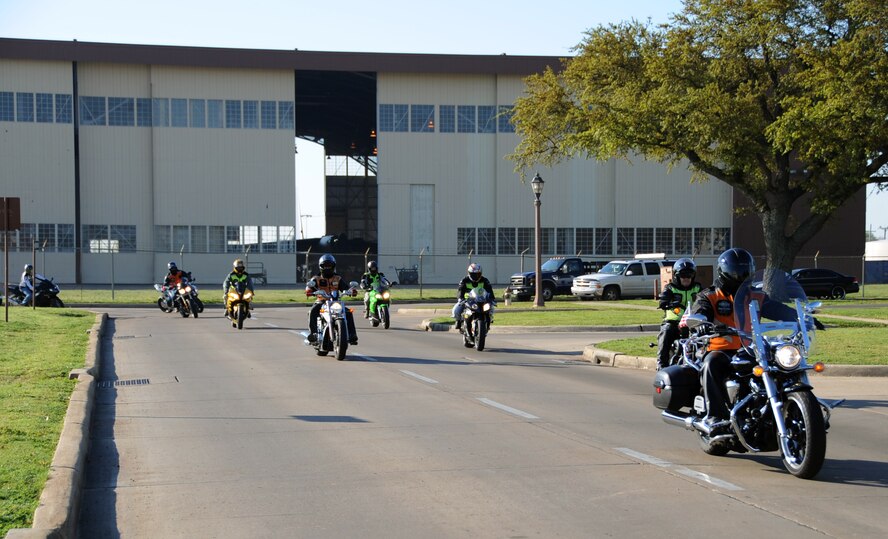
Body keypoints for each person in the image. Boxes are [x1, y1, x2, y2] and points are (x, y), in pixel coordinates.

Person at [689, 247, 822, 432]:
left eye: (744, 271)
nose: (740, 276)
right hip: (721, 347)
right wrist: (700, 323)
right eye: (736, 271)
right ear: (724, 272)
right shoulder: (710, 296)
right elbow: (699, 312)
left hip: (752, 347)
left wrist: (804, 319)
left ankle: (787, 408)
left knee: (781, 366)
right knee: (711, 364)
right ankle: (715, 415)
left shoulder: (755, 296)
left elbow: (777, 309)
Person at [655, 258, 702, 369]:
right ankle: (661, 364)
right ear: (677, 276)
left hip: (692, 322)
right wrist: (665, 302)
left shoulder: (698, 288)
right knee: (666, 332)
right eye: (683, 275)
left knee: (705, 336)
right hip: (674, 321)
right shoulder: (671, 288)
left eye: (689, 275)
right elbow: (663, 299)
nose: (686, 278)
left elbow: (706, 298)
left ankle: (703, 363)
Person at [305, 254, 358, 344]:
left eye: (329, 266)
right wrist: (309, 291)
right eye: (325, 266)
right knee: (312, 311)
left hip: (335, 302)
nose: (327, 268)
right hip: (321, 301)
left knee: (348, 312)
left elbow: (345, 287)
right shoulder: (316, 278)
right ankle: (313, 334)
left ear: (333, 266)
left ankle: (352, 335)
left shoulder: (337, 278)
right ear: (321, 267)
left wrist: (351, 291)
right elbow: (309, 287)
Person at [452, 263, 496, 331]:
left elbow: (489, 290)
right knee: (456, 310)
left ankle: (488, 321)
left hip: (481, 300)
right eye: (473, 274)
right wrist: (461, 298)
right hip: (467, 300)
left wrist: (492, 299)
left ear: (480, 273)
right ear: (469, 273)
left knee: (492, 309)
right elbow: (460, 290)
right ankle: (458, 321)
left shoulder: (485, 280)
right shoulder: (464, 280)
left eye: (477, 274)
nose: (475, 276)